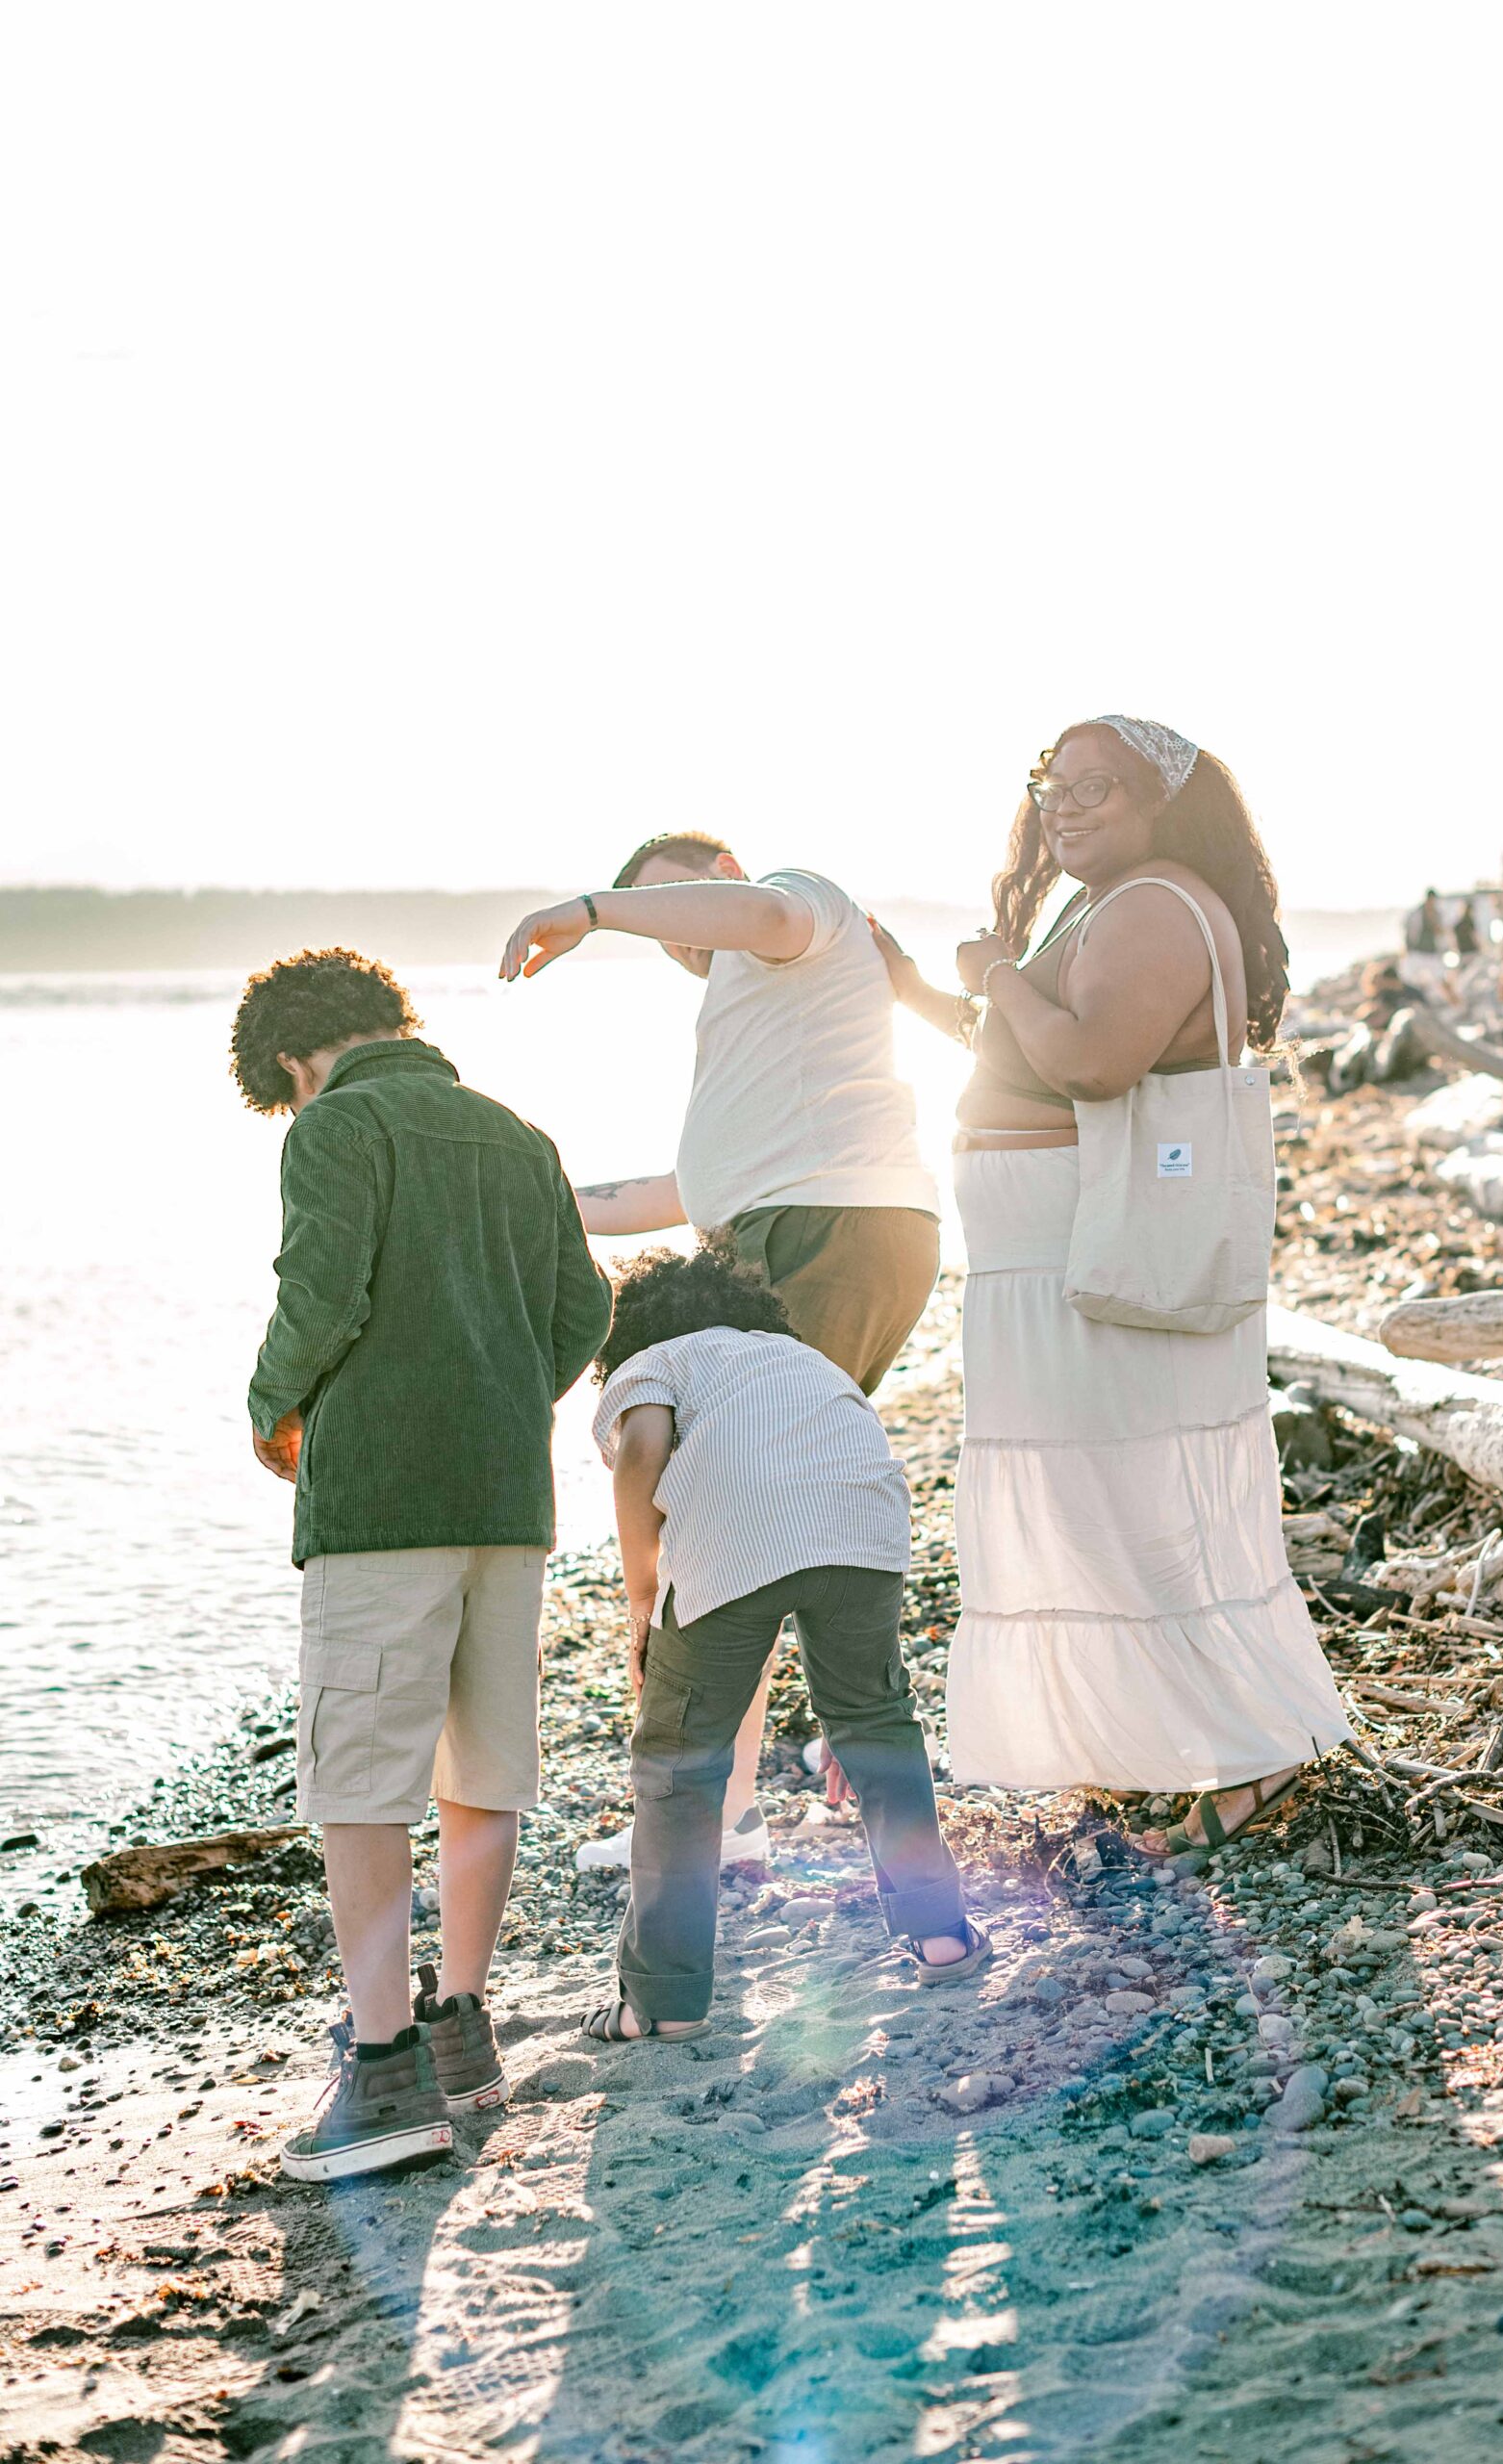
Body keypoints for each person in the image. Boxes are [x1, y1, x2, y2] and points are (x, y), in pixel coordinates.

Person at [879, 717, 1352, 1863]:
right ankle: (1163, 1741)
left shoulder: (1151, 900)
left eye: (1100, 785)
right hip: (1048, 1255)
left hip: (1083, 1250)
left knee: (1130, 1494)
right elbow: (1023, 1047)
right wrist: (913, 988)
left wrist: (991, 970)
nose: (1065, 803)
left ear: (1160, 804)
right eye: (1053, 783)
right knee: (1091, 1498)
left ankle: (1252, 1753)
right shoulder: (1102, 902)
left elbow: (1092, 1061)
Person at [235, 948, 611, 2180]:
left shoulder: (337, 1125)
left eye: (285, 1087)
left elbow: (322, 1291)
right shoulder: (517, 1134)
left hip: (384, 1498)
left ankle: (383, 2066)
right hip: (507, 1494)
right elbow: (582, 1316)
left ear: (296, 1058)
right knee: (481, 1766)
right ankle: (459, 2030)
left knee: (362, 1778)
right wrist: (497, 1399)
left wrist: (270, 1405)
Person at [498, 838, 941, 1873]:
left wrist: (594, 911)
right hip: (819, 1226)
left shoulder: (800, 909)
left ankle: (723, 1816)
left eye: (682, 901)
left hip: (824, 1229)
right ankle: (763, 1784)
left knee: (726, 1505)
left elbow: (755, 913)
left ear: (725, 881)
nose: (677, 929)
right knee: (756, 1498)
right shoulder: (761, 1032)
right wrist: (539, 1207)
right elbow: (683, 1192)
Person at [579, 1235, 983, 2041]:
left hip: (739, 1531)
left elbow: (642, 1454)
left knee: (679, 1762)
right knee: (874, 1725)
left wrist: (641, 1594)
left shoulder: (655, 1359)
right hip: (864, 1521)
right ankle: (940, 1936)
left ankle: (660, 2003)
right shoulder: (793, 1356)